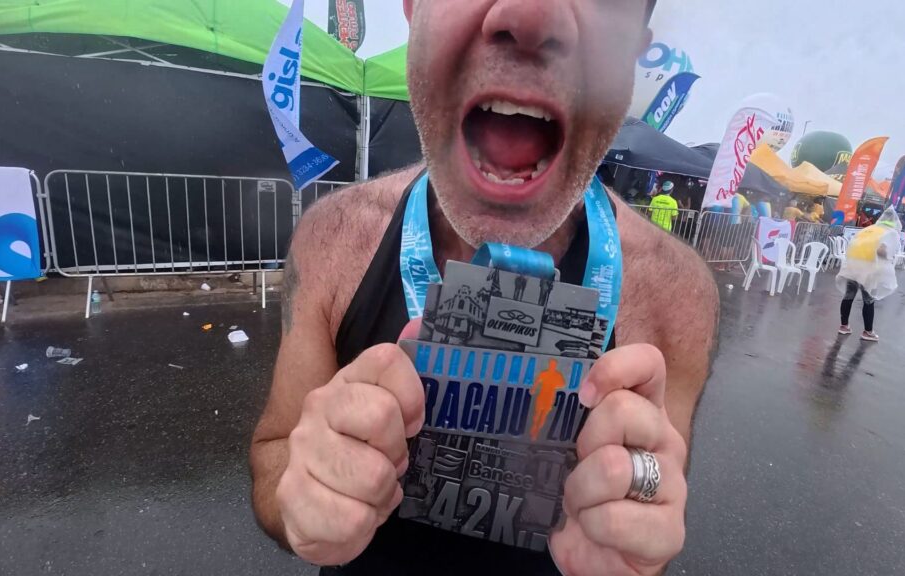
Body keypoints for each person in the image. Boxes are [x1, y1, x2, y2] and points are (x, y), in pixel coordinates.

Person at [249, 2, 719, 576]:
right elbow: (273, 457)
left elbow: (656, 512)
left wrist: (638, 533)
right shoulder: (333, 239)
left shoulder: (677, 293)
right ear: (413, 10)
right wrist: (298, 503)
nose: (530, 14)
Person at [836, 207, 901, 342]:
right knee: (868, 299)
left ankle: (844, 326)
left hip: (853, 264)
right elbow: (882, 251)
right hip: (869, 267)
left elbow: (853, 244)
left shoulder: (869, 229)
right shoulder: (890, 233)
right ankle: (868, 332)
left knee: (849, 295)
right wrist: (888, 257)